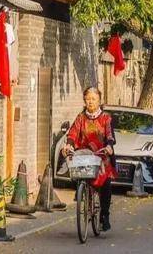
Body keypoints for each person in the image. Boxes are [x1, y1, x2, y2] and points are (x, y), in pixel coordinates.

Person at [62, 87, 116, 232]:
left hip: (101, 154)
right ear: (84, 101)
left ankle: (104, 215)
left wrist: (109, 146)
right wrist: (69, 145)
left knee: (106, 183)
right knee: (77, 174)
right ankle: (81, 193)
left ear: (99, 101)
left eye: (94, 99)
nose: (90, 102)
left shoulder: (106, 118)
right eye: (88, 99)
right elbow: (72, 134)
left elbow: (110, 136)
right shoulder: (80, 118)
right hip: (84, 154)